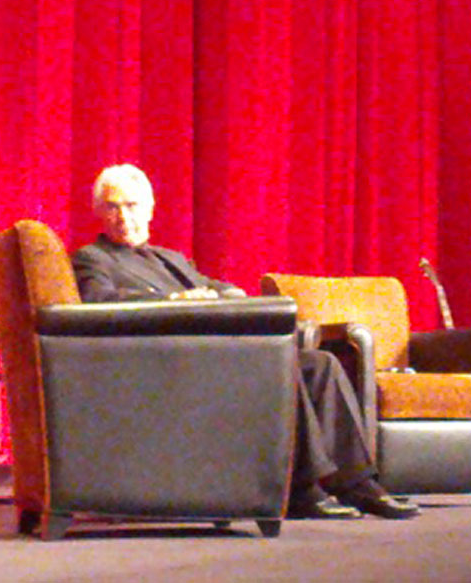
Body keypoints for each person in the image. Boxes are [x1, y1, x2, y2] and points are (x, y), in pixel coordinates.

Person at [71, 164, 419, 521]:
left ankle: (358, 483)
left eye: (131, 205)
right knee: (284, 365)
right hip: (171, 364)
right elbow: (100, 301)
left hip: (222, 353)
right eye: (112, 207)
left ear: (149, 209)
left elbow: (218, 286)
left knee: (320, 364)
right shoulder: (92, 258)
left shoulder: (170, 258)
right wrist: (174, 301)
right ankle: (303, 489)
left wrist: (226, 295)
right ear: (99, 212)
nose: (122, 216)